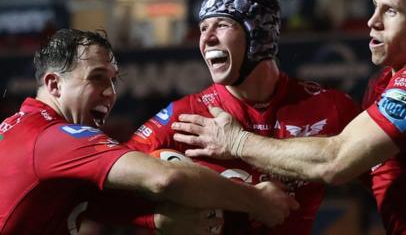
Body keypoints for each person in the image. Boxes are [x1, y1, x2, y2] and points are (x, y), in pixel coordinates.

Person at [172, 0, 406, 234]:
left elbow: (336, 161)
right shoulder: (387, 80)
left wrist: (237, 141)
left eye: (391, 11)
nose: (372, 21)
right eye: (375, 7)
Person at [0, 29, 297, 235]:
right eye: (98, 78)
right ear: (54, 85)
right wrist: (257, 201)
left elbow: (89, 203)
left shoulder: (19, 129)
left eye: (114, 80)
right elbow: (167, 178)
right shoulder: (54, 137)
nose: (110, 93)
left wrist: (155, 220)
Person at [127, 0, 360, 235]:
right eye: (203, 27)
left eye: (222, 24)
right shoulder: (187, 115)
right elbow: (108, 182)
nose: (206, 38)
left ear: (259, 35)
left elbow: (389, 175)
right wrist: (154, 220)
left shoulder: (330, 107)